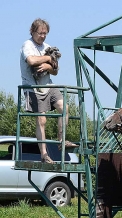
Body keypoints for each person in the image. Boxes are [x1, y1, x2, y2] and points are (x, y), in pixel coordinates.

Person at [20, 18, 78, 164]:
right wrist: (47, 58)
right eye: (40, 33)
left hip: (48, 85)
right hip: (32, 87)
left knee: (64, 106)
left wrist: (48, 67)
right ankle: (44, 155)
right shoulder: (27, 45)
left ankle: (61, 140)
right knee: (42, 119)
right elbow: (32, 61)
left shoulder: (47, 46)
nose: (43, 36)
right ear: (32, 32)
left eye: (45, 33)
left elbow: (56, 70)